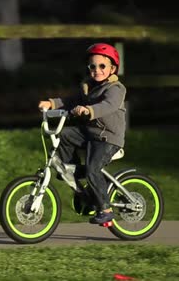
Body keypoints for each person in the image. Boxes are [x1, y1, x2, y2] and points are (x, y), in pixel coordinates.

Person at [38, 43, 126, 225]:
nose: (97, 70)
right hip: (90, 133)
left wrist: (88, 110)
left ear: (113, 68)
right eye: (92, 66)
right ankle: (73, 171)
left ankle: (106, 209)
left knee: (94, 168)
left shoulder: (116, 89)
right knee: (65, 135)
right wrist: (51, 103)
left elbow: (108, 106)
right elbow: (71, 101)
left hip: (108, 137)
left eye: (102, 66)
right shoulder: (88, 88)